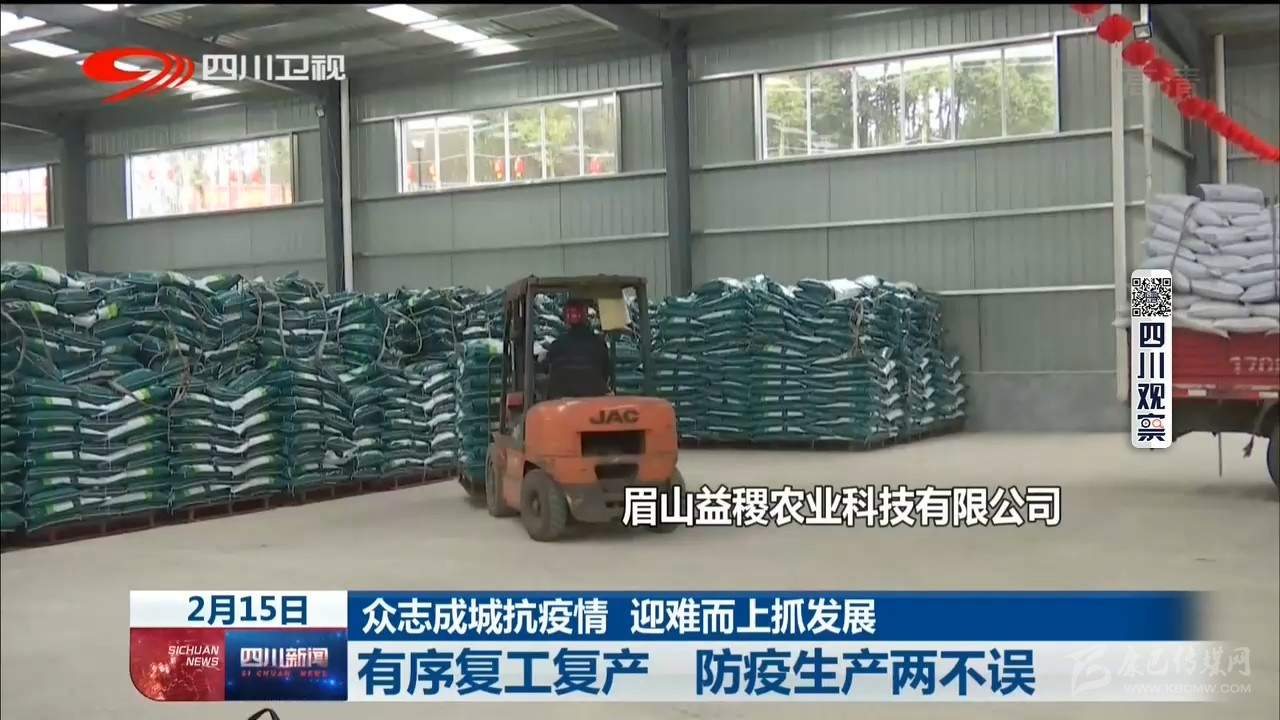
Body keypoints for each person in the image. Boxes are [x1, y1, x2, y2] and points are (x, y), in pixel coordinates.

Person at [543, 299, 612, 399]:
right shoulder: (599, 343)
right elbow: (606, 372)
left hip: (561, 401)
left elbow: (547, 367)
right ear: (585, 316)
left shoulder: (557, 344)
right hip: (594, 399)